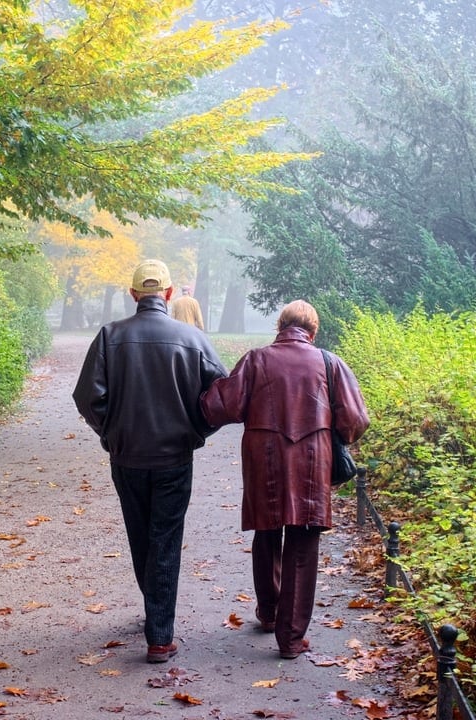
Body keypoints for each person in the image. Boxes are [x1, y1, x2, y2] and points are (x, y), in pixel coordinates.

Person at [72, 259, 227, 663]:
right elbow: (222, 397)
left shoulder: (110, 336)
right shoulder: (191, 339)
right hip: (174, 456)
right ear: (170, 294)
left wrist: (110, 432)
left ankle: (156, 619)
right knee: (165, 538)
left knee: (141, 534)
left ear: (134, 294)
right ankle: (159, 633)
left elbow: (87, 397)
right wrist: (196, 431)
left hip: (127, 456)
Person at [199, 300, 369, 659]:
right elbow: (354, 419)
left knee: (267, 531)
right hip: (311, 459)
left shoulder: (256, 359)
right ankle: (291, 639)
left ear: (280, 326)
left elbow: (222, 407)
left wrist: (199, 384)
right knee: (303, 542)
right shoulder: (329, 362)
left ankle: (269, 612)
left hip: (264, 458)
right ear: (313, 330)